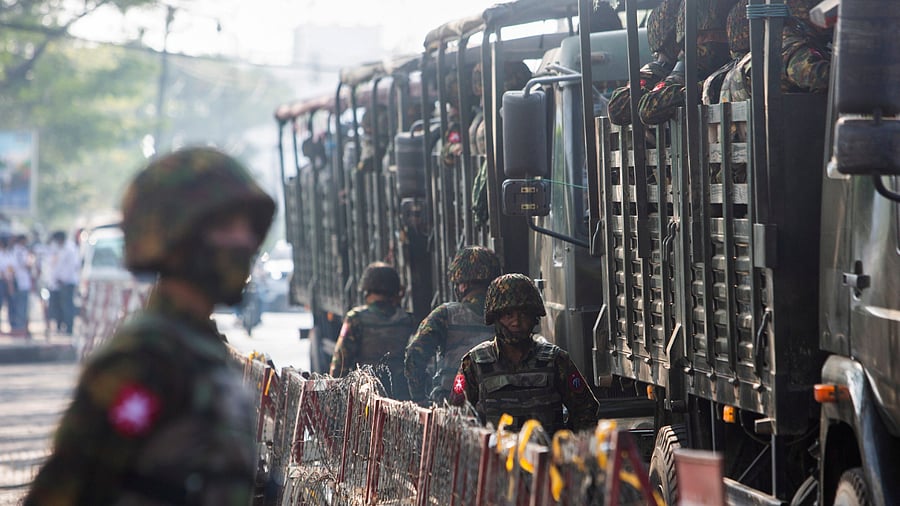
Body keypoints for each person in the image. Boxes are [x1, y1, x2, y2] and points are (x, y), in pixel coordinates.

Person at [24, 146, 276, 505]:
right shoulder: (145, 360)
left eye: (248, 229)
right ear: (175, 237)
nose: (245, 242)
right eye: (225, 228)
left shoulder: (199, 350)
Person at [448, 273, 600, 434]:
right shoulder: (474, 363)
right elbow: (456, 416)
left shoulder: (555, 360)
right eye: (508, 315)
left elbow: (585, 409)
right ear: (496, 317)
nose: (516, 322)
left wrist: (567, 446)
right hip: (496, 456)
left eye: (524, 314)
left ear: (534, 317)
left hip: (546, 456)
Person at [405, 246, 502, 404]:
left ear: (462, 285)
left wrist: (419, 399)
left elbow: (414, 355)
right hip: (499, 404)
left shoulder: (446, 314)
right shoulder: (507, 316)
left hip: (453, 406)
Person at [330, 261, 416, 401]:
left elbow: (341, 360)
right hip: (402, 398)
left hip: (366, 396)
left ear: (367, 290)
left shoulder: (356, 318)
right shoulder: (407, 320)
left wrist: (334, 397)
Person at [49, 229, 80, 335]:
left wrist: (63, 278)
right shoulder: (59, 249)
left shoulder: (70, 249)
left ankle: (69, 328)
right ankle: (63, 326)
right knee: (60, 306)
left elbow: (72, 267)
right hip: (58, 283)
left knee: (67, 306)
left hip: (68, 282)